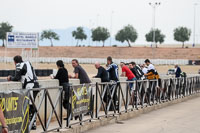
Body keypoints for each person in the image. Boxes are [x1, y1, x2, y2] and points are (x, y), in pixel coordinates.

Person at [7, 55, 39, 130]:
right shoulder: (28, 63)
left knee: (30, 105)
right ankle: (33, 123)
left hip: (30, 86)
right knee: (32, 104)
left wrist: (10, 78)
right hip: (36, 84)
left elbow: (17, 77)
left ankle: (32, 124)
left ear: (15, 62)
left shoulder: (19, 65)